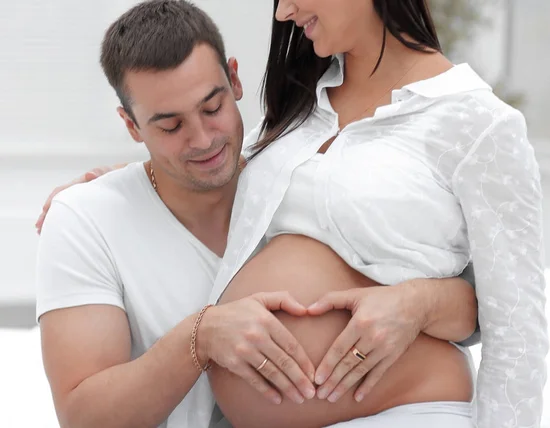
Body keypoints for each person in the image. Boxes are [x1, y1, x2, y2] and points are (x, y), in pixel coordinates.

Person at [34, 1, 478, 428]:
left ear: (234, 80)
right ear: (131, 126)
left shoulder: (296, 179)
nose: (203, 138)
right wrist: (201, 337)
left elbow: (473, 305)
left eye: (213, 108)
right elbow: (84, 416)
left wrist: (418, 305)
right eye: (170, 126)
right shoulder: (84, 219)